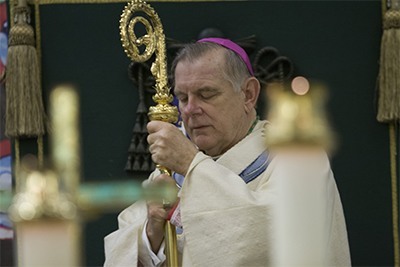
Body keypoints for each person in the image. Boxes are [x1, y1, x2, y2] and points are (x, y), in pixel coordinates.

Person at [104, 38, 351, 266]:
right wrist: (152, 233)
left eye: (206, 94)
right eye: (182, 97)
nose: (190, 110)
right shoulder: (170, 170)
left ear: (248, 94)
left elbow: (271, 235)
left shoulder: (296, 157)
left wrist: (192, 164)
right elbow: (125, 244)